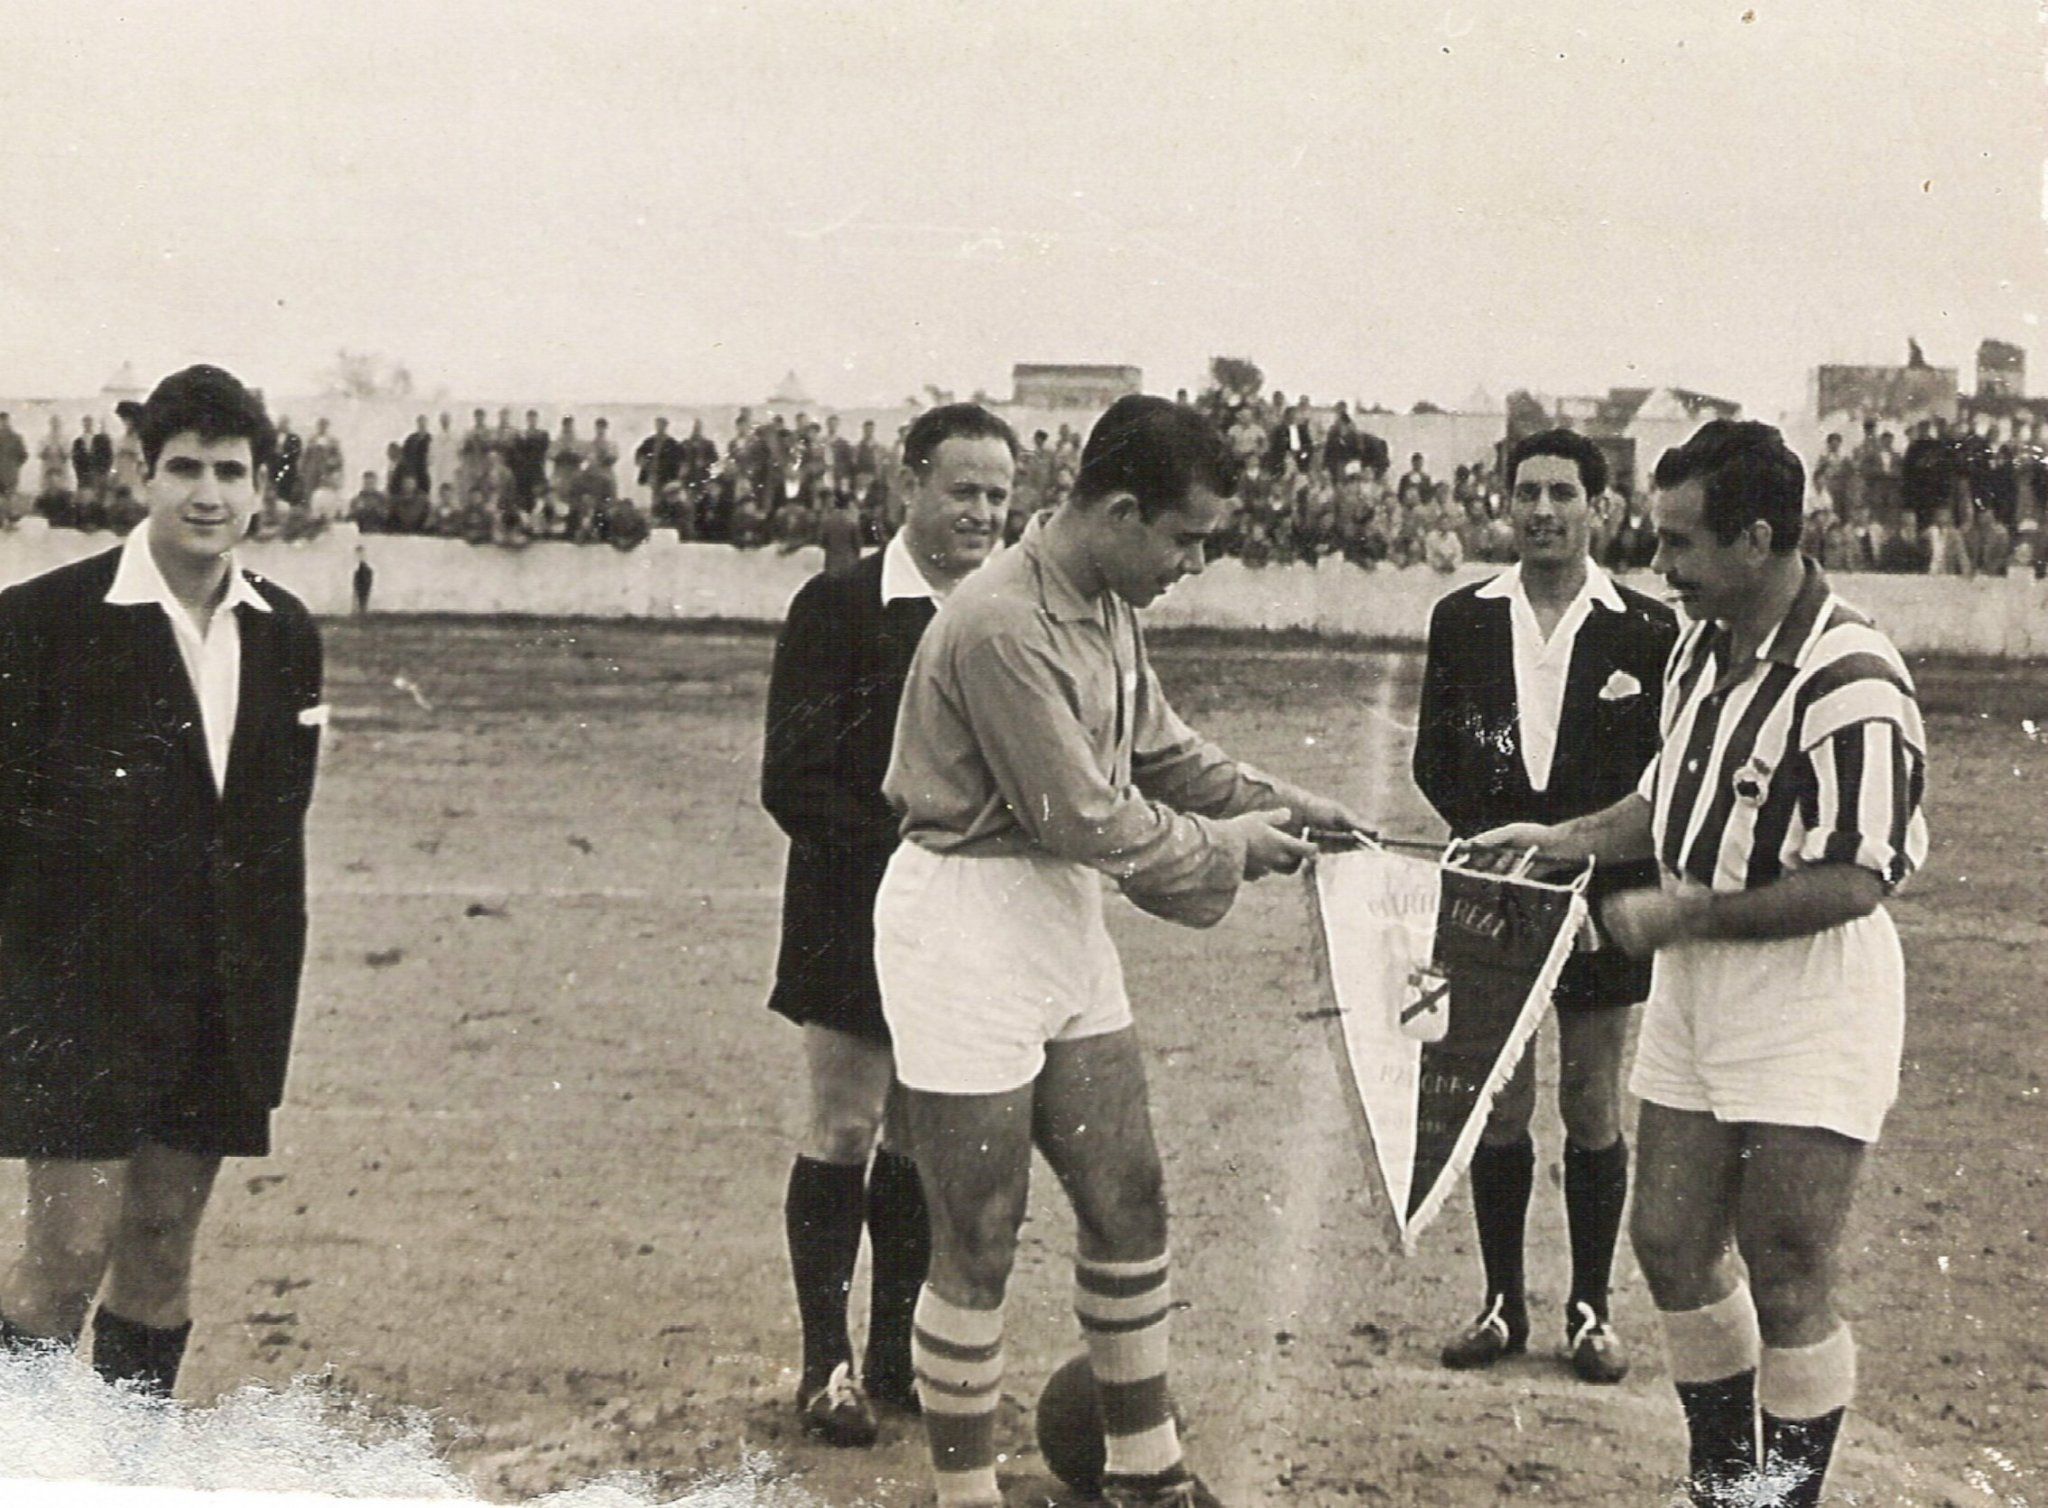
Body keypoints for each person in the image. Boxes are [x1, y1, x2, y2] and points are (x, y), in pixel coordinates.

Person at [876, 396, 1359, 1508]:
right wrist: (1231, 848)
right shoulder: (1001, 619)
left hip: (1054, 914)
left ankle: (1148, 1477)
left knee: (1127, 1193)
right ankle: (963, 1497)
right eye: (1184, 539)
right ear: (1122, 509)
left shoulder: (1102, 599)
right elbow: (1082, 814)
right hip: (962, 921)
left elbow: (1163, 753)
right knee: (981, 1231)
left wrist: (1292, 804)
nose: (1192, 563)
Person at [1473, 420, 1926, 1507]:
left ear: (1755, 538)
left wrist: (1677, 919)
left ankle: (1775, 1501)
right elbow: (1661, 806)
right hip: (1698, 975)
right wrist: (1561, 838)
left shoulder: (1853, 676)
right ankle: (1725, 1484)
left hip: (1807, 988)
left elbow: (1854, 880)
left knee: (1784, 1264)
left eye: (1679, 544)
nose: (1658, 565)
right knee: (1671, 1242)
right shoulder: (1696, 641)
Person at [0, 364, 325, 1397]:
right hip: (79, 992)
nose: (207, 492)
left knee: (159, 1251)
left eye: (231, 470)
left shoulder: (286, 629)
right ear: (140, 474)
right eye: (183, 465)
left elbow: (275, 825)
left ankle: (126, 1474)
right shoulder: (43, 619)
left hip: (218, 995)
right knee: (63, 1258)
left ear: (262, 486)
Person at [761, 402, 1017, 1448]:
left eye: (999, 496)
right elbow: (793, 779)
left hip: (964, 923)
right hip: (847, 909)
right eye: (962, 490)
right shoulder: (836, 604)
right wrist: (915, 858)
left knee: (919, 1132)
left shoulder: (1009, 611)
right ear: (907, 486)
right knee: (844, 1125)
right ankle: (824, 1364)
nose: (982, 513)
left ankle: (889, 1353)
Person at [1413, 429, 1678, 1388]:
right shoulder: (1464, 616)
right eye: (1527, 492)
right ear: (1504, 504)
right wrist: (1500, 848)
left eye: (1564, 493)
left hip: (1603, 900)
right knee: (1500, 1100)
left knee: (1592, 1098)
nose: (1543, 511)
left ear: (1598, 509)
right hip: (1494, 895)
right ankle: (1499, 1303)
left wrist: (1573, 852)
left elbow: (1657, 776)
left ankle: (1591, 1311)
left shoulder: (1647, 631)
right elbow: (1434, 757)